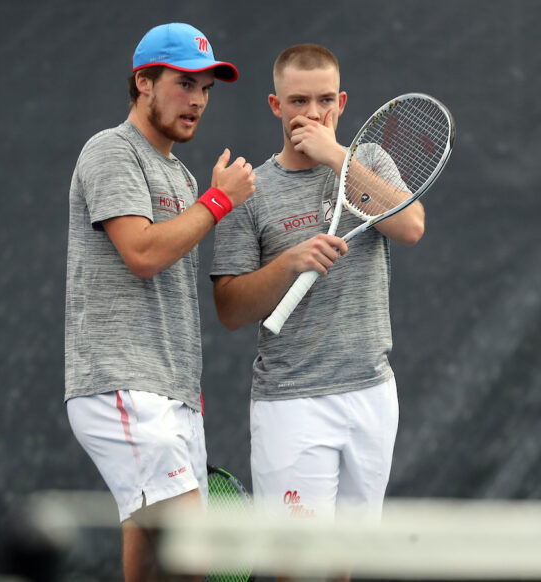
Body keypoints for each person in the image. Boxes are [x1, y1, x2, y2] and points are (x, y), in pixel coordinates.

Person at [210, 43, 425, 579]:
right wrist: (289, 263)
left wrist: (335, 155)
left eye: (325, 100)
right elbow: (230, 309)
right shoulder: (252, 192)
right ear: (274, 105)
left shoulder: (368, 163)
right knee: (294, 567)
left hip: (371, 393)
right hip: (292, 403)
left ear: (342, 102)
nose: (312, 112)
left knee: (341, 565)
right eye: (298, 100)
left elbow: (411, 225)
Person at [64, 23, 255, 582]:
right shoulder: (111, 151)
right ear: (144, 82)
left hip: (168, 392)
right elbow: (142, 254)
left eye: (206, 89)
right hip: (120, 384)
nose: (196, 100)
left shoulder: (178, 172)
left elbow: (167, 291)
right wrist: (218, 201)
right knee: (193, 556)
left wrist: (184, 389)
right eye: (183, 83)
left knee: (150, 556)